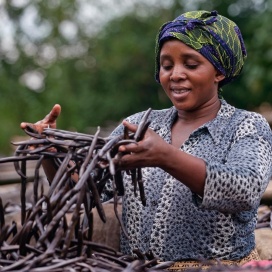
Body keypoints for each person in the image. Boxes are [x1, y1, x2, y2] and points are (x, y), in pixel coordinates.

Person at [21, 10, 272, 269]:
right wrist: (52, 154)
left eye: (191, 64)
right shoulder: (140, 125)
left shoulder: (245, 126)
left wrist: (166, 157)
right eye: (166, 65)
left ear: (219, 72)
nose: (175, 74)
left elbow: (244, 191)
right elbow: (86, 192)